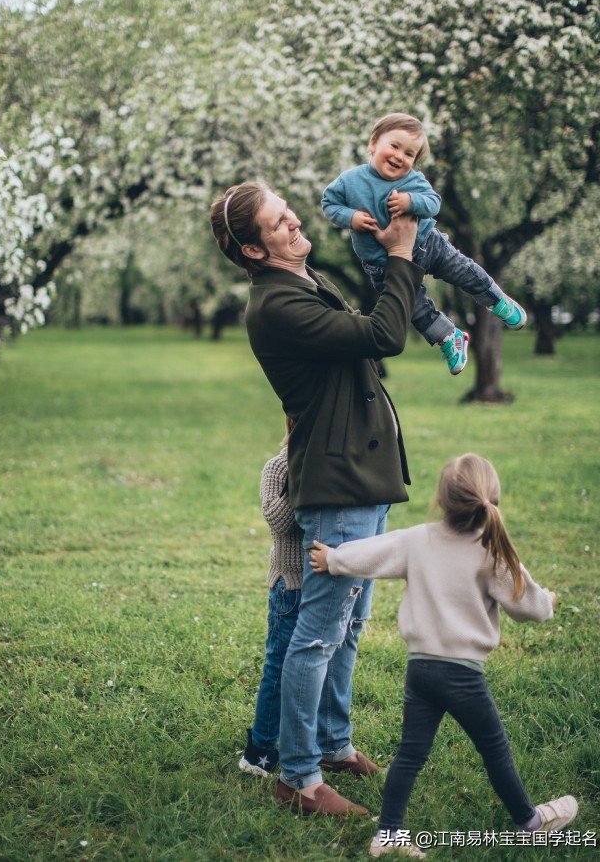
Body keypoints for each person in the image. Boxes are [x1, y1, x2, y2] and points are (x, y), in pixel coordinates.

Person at [210, 180, 423, 817]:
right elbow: (383, 334)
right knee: (318, 636)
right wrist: (402, 254)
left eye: (287, 210)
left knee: (349, 627)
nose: (295, 220)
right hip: (337, 485)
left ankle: (332, 744)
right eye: (279, 221)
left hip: (363, 476)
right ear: (254, 250)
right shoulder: (276, 304)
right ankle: (299, 778)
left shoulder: (302, 281)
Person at [309, 453, 578, 858]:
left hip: (421, 670)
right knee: (495, 750)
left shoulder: (418, 540)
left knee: (410, 755)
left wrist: (333, 559)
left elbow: (373, 552)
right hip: (463, 676)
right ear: (491, 502)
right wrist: (549, 603)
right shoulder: (491, 550)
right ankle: (530, 822)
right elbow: (529, 606)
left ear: (441, 500)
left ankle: (388, 834)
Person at [322, 112, 527, 376]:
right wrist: (351, 217)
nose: (400, 156)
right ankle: (449, 337)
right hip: (382, 263)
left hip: (427, 244)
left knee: (462, 270)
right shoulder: (350, 181)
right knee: (413, 307)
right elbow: (329, 204)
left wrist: (410, 202)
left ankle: (495, 299)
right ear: (373, 144)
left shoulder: (412, 180)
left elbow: (433, 203)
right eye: (394, 146)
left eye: (409, 154)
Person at [239, 417, 303, 778]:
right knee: (279, 666)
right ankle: (260, 750)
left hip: (323, 582)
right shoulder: (279, 466)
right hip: (290, 583)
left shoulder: (332, 464)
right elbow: (278, 521)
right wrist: (302, 471)